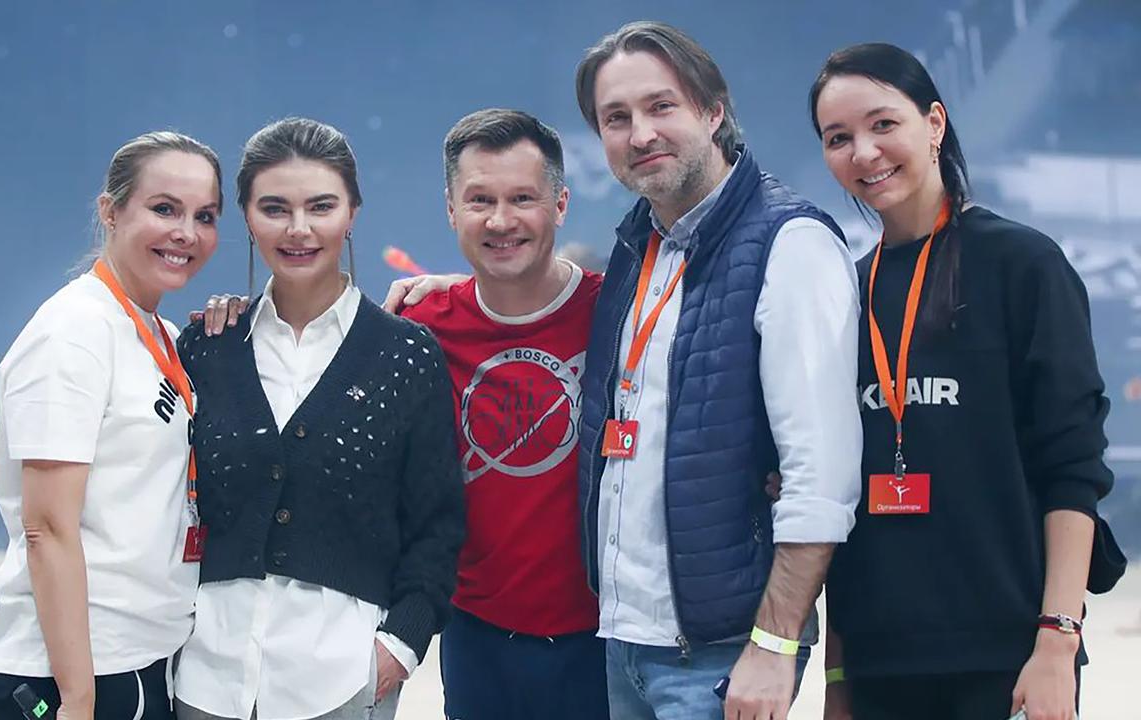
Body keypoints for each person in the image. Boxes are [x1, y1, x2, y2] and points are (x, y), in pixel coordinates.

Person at [810, 42, 1115, 720]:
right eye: (839, 138)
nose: (863, 152)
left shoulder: (1023, 265)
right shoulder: (843, 293)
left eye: (883, 124)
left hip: (1007, 658)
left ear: (935, 124)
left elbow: (1073, 468)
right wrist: (838, 678)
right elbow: (837, 503)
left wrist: (1057, 643)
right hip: (880, 663)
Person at [573, 21, 863, 720]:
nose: (640, 133)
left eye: (661, 106)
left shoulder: (789, 243)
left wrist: (774, 641)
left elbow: (822, 474)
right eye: (617, 118)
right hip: (625, 643)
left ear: (713, 111)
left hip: (723, 654)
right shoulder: (638, 245)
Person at [171, 117, 465, 720]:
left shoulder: (406, 356)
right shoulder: (207, 345)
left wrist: (402, 645)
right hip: (205, 678)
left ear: (352, 211)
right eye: (274, 208)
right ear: (247, 218)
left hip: (342, 683)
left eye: (321, 206)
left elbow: (437, 524)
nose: (298, 229)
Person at [0, 131, 224, 720]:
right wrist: (79, 697)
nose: (186, 232)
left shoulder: (152, 331)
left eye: (204, 215)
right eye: (164, 209)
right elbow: (47, 528)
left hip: (138, 653)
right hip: (80, 670)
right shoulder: (72, 333)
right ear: (110, 211)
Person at [394, 108, 609, 720]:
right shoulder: (419, 328)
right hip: (476, 639)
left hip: (607, 639)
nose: (501, 220)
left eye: (523, 198)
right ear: (450, 210)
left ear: (561, 204)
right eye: (480, 199)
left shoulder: (619, 309)